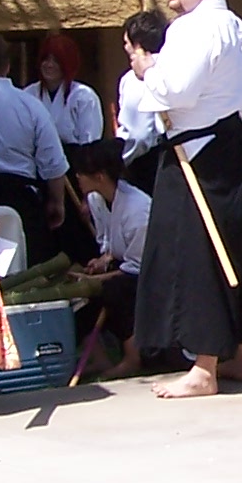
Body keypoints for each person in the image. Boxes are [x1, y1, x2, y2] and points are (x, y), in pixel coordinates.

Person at [133, 0, 242, 399]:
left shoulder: (194, 28)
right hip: (227, 148)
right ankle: (240, 355)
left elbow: (178, 92)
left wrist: (148, 70)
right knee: (233, 251)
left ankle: (204, 369)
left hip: (199, 155)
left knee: (200, 256)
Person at [0, 33, 69, 267]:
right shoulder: (30, 105)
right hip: (21, 198)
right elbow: (53, 162)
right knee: (27, 269)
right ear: (7, 65)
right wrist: (57, 202)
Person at [69, 141, 155, 380]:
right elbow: (109, 245)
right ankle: (99, 357)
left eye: (81, 173)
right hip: (123, 266)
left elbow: (138, 266)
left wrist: (95, 280)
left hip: (148, 274)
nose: (77, 177)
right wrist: (101, 261)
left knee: (116, 290)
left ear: (99, 176)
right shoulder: (96, 200)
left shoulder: (138, 210)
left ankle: (132, 357)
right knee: (77, 294)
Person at [34, 30, 104, 262]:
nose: (49, 65)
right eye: (46, 59)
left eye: (56, 60)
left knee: (77, 235)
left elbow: (90, 144)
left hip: (75, 168)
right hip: (42, 168)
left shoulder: (83, 96)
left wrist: (88, 195)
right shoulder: (30, 94)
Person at [115, 10, 167, 194]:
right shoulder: (175, 67)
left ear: (137, 45)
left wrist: (118, 162)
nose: (125, 47)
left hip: (149, 163)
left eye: (127, 42)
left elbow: (138, 134)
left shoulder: (135, 79)